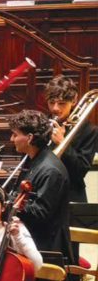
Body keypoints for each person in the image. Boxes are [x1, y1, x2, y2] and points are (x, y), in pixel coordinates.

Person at [9, 110, 71, 261]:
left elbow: (40, 214)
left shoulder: (51, 171)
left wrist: (7, 201)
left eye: (15, 134)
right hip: (31, 239)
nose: (11, 139)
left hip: (45, 248)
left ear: (29, 138)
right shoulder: (32, 160)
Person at [46, 76, 97, 204]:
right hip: (43, 193)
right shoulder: (41, 125)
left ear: (74, 101)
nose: (55, 108)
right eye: (51, 102)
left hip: (70, 195)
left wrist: (62, 143)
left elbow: (80, 171)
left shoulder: (89, 130)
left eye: (62, 103)